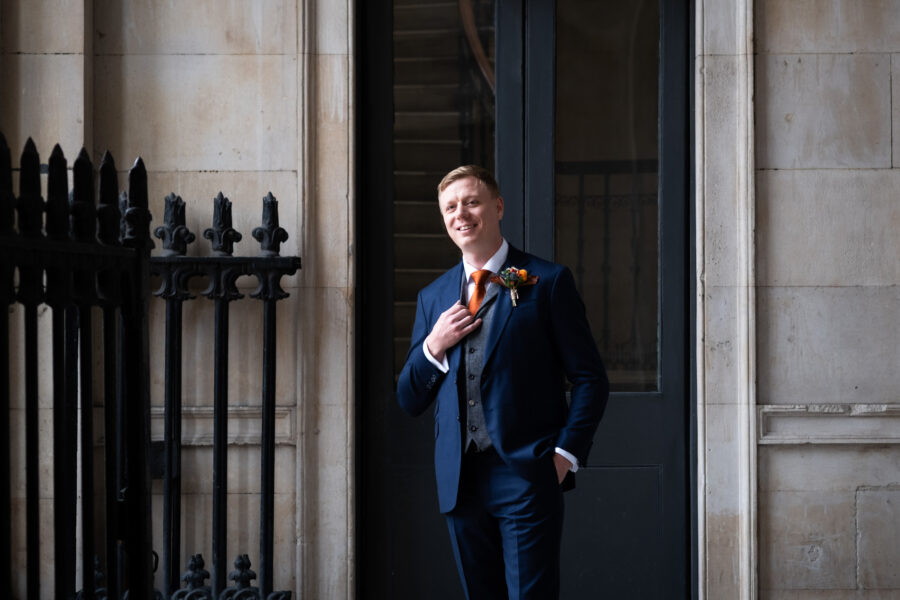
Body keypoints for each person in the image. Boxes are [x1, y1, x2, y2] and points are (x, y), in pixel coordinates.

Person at [397, 165, 609, 599]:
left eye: (471, 202)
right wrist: (433, 346)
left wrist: (564, 456)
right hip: (460, 481)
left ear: (497, 206)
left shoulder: (547, 281)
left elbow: (590, 379)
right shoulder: (433, 297)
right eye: (450, 207)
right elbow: (408, 398)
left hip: (527, 475)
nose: (462, 214)